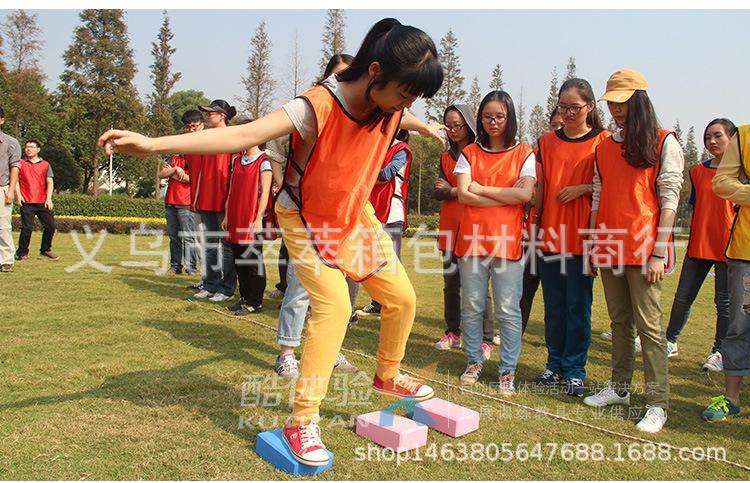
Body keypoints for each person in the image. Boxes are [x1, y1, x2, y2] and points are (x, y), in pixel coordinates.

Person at [98, 18, 445, 467]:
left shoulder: (392, 105)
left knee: (403, 298)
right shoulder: (317, 105)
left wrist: (426, 126)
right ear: (376, 71)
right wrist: (153, 145)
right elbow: (244, 135)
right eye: (404, 93)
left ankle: (388, 375)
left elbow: (404, 114)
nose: (406, 104)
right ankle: (302, 421)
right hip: (303, 217)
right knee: (334, 305)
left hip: (353, 216)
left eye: (413, 98)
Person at [582, 69, 684, 434]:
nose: (615, 110)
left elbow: (669, 200)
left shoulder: (664, 142)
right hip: (610, 245)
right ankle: (620, 388)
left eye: (622, 103)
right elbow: (598, 197)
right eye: (611, 103)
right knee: (619, 322)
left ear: (639, 101)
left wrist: (659, 253)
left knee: (650, 329)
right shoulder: (604, 147)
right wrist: (593, 244)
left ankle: (658, 403)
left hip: (644, 248)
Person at [454, 90, 536, 393]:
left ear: (509, 118)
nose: (493, 122)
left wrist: (481, 188)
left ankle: (507, 370)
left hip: (507, 244)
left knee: (507, 309)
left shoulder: (524, 153)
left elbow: (525, 194)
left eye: (500, 116)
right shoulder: (469, 153)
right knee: (472, 305)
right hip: (472, 242)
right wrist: (505, 197)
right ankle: (474, 361)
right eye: (488, 116)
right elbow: (464, 195)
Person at [533, 78, 609, 397]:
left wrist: (583, 188)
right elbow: (539, 188)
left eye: (574, 107)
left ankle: (575, 370)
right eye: (562, 107)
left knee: (578, 307)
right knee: (554, 307)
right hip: (550, 237)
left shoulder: (604, 142)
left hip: (582, 240)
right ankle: (554, 365)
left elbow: (611, 186)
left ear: (590, 106)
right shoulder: (546, 143)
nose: (567, 113)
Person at [665, 118, 736, 371]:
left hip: (729, 249)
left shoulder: (742, 173)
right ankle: (670, 341)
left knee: (724, 303)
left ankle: (719, 351)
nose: (711, 141)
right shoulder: (697, 171)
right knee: (683, 297)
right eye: (707, 137)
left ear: (732, 138)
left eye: (718, 136)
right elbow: (696, 207)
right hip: (698, 246)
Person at [433, 103, 495, 360]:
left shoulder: (480, 154)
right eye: (448, 125)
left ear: (469, 125)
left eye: (457, 125)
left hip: (474, 228)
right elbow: (438, 191)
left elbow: (478, 189)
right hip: (449, 228)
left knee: (478, 285)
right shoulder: (445, 157)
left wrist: (453, 189)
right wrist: (458, 190)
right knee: (451, 284)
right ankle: (453, 332)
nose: (453, 130)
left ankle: (486, 338)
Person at [701, 122, 750, 422]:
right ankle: (731, 399)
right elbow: (721, 182)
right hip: (746, 250)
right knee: (740, 325)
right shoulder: (744, 135)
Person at [352, 129, 412, 319]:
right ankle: (378, 303)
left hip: (391, 212)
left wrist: (362, 171)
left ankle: (394, 304)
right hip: (371, 210)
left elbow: (386, 175)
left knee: (391, 261)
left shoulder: (401, 150)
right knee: (367, 258)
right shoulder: (377, 147)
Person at [519, 109, 565, 335]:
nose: (558, 129)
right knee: (526, 285)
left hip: (561, 233)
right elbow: (524, 190)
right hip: (534, 232)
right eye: (554, 125)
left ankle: (553, 338)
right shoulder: (536, 155)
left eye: (561, 125)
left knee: (555, 293)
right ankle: (516, 330)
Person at [221, 126, 272, 315]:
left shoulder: (263, 162)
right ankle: (244, 297)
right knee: (239, 259)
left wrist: (259, 217)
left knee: (253, 260)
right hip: (236, 216)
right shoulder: (236, 161)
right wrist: (227, 215)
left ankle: (255, 301)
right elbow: (231, 189)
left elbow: (265, 193)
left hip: (251, 217)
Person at [191, 99, 237, 302]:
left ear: (222, 116)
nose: (208, 116)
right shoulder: (206, 138)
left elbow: (235, 171)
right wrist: (197, 197)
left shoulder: (234, 137)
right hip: (206, 198)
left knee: (226, 246)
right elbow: (201, 171)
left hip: (224, 199)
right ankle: (210, 284)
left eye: (211, 113)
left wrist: (230, 200)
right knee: (210, 244)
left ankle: (226, 288)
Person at [158, 110, 202, 275]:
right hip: (170, 200)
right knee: (173, 236)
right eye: (187, 127)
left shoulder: (196, 154)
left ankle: (191, 267)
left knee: (188, 236)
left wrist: (176, 174)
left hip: (186, 202)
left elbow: (195, 178)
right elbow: (162, 173)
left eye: (193, 126)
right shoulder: (175, 156)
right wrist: (176, 170)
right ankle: (175, 266)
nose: (189, 130)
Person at [15, 139, 59, 261]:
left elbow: (50, 182)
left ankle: (45, 250)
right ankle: (22, 253)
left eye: (31, 147)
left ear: (38, 149)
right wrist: (18, 195)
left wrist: (49, 199)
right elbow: (16, 180)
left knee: (50, 226)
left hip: (42, 201)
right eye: (26, 147)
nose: (28, 149)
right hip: (26, 201)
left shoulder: (45, 165)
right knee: (27, 228)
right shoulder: (20, 163)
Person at [0, 106, 21, 273]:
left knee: (3, 226)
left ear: (2, 120)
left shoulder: (11, 142)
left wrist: (11, 191)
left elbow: (15, 167)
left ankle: (6, 260)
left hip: (2, 187)